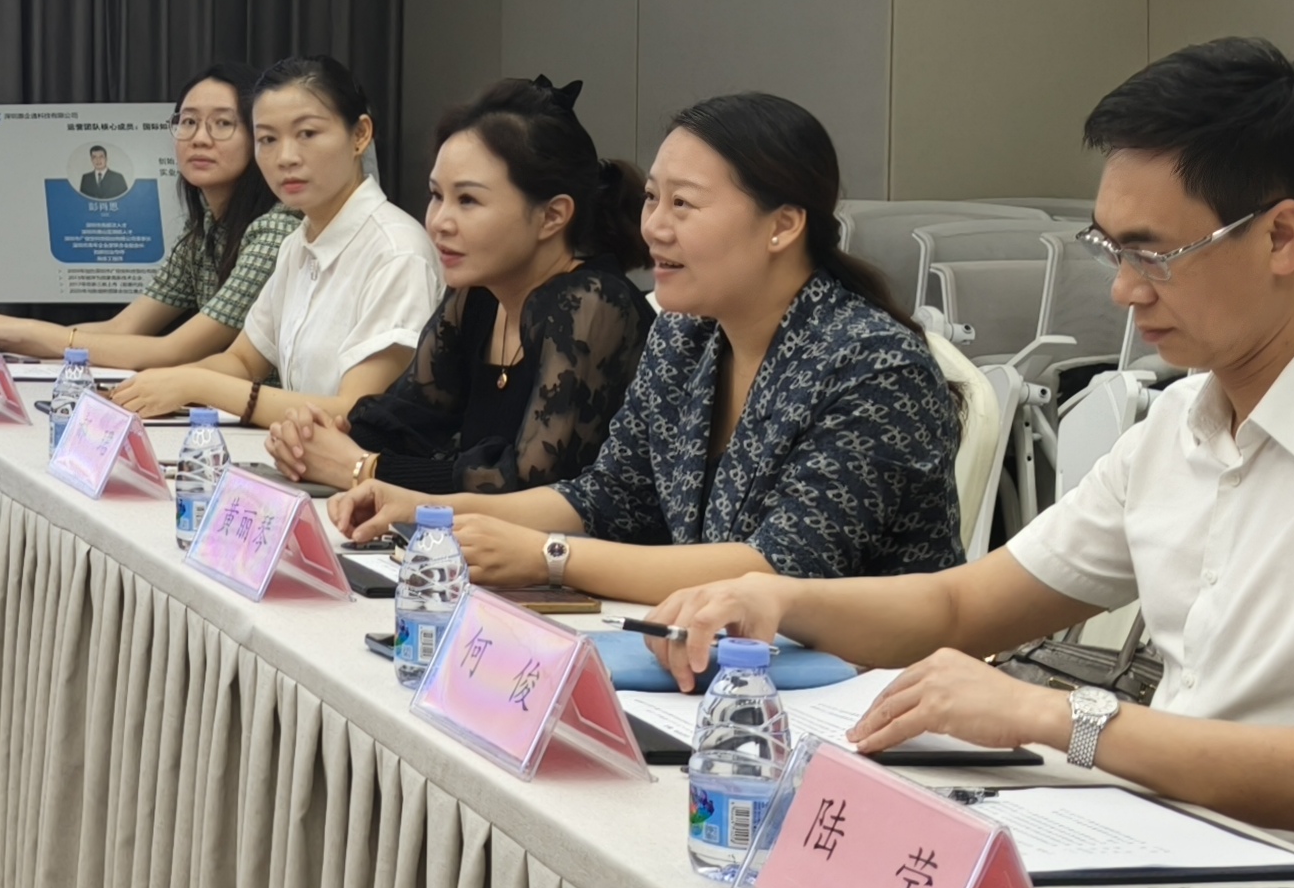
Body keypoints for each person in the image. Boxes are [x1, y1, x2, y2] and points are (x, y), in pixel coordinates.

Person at [654, 42, 1294, 888]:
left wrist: (1060, 718)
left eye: (1154, 254)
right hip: (1181, 872)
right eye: (1110, 250)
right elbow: (963, 607)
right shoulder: (1180, 422)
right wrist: (779, 599)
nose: (1125, 291)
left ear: (1281, 236)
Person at [334, 90, 961, 604]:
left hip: (866, 684)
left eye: (683, 204)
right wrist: (430, 509)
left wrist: (551, 557)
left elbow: (780, 567)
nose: (654, 227)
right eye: (653, 198)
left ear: (783, 225)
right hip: (718, 653)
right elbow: (608, 496)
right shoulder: (686, 336)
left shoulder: (874, 366)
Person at [258, 76, 651, 500]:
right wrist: (319, 438)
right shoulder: (478, 292)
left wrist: (362, 468)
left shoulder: (594, 303)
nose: (439, 222)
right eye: (436, 195)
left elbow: (528, 483)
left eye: (468, 200)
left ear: (552, 216)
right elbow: (410, 417)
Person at [120, 57, 441, 433]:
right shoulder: (297, 243)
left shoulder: (397, 252)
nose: (285, 158)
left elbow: (352, 411)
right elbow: (243, 361)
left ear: (360, 135)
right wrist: (151, 387)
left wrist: (195, 384)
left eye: (307, 134)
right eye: (268, 139)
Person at [0, 69, 293, 376]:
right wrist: (5, 338)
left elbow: (173, 351)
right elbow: (121, 328)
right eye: (189, 121)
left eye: (222, 123)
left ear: (259, 138)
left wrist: (25, 330)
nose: (200, 138)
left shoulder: (274, 233)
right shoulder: (204, 230)